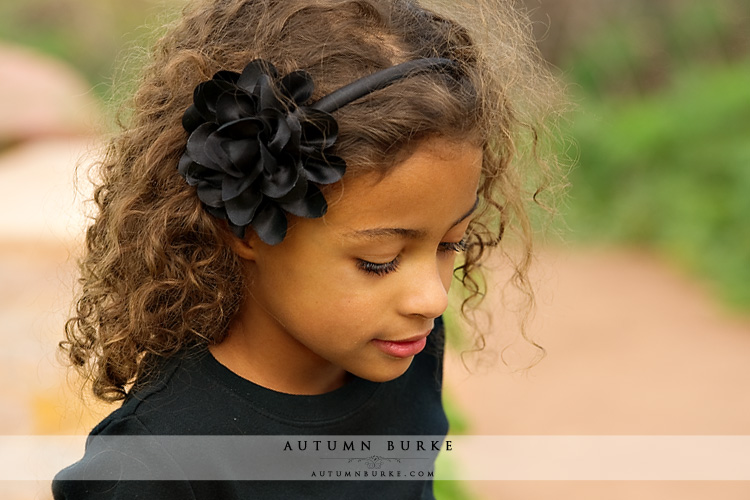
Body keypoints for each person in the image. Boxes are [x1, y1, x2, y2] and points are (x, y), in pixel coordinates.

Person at [53, 0, 560, 498]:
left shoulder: (407, 353)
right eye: (378, 261)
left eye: (454, 243)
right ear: (246, 227)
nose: (432, 300)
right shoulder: (152, 468)